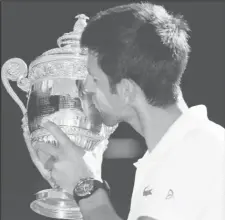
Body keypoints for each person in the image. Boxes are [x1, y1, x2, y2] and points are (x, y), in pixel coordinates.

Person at [35, 2, 225, 220]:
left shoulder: (204, 149)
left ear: (126, 90)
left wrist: (86, 188)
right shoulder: (163, 156)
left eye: (94, 79)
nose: (86, 87)